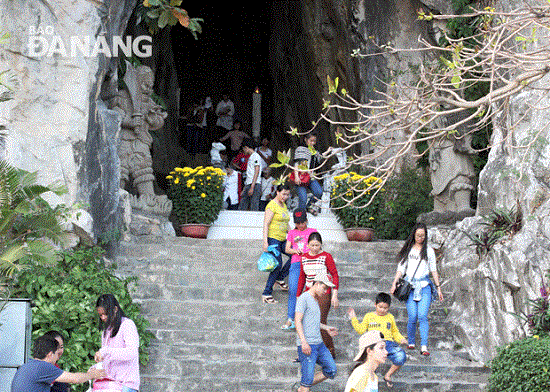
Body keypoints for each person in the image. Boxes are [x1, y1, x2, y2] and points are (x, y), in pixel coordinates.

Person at [389, 223, 444, 357]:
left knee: (422, 316)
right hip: (410, 287)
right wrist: (394, 283)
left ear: (426, 236)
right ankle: (412, 341)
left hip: (424, 286)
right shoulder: (408, 249)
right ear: (414, 234)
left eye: (422, 236)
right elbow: (401, 268)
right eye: (418, 235)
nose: (420, 238)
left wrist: (438, 288)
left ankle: (424, 345)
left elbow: (433, 270)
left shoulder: (429, 251)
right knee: (413, 316)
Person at [348, 292, 407, 388]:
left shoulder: (390, 317)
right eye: (380, 307)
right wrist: (353, 318)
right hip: (373, 343)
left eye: (385, 308)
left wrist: (401, 339)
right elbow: (360, 330)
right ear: (375, 305)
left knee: (401, 356)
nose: (383, 310)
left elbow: (395, 332)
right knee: (368, 364)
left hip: (388, 343)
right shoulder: (369, 316)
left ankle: (388, 375)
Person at [11, 334, 105, 392]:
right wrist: (92, 375)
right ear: (50, 354)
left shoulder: (27, 365)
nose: (58, 357)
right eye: (57, 353)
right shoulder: (43, 366)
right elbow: (75, 379)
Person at [297, 232, 339, 357]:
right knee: (305, 322)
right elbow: (301, 278)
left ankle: (330, 351)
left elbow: (335, 275)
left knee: (320, 321)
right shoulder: (304, 257)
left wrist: (334, 294)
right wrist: (298, 296)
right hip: (309, 293)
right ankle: (305, 351)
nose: (315, 248)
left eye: (317, 245)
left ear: (321, 245)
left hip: (323, 293)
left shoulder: (326, 256)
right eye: (312, 245)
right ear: (307, 245)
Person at [294, 272, 338, 392]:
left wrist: (326, 328)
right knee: (306, 384)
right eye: (324, 288)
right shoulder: (304, 298)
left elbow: (313, 322)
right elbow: (297, 320)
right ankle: (304, 386)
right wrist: (303, 342)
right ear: (317, 284)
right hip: (308, 345)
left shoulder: (315, 300)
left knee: (331, 369)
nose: (325, 292)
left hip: (319, 344)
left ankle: (303, 386)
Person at [95, 294, 140, 392]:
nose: (103, 318)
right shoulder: (106, 331)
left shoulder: (127, 325)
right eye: (100, 315)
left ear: (115, 309)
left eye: (106, 314)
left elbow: (132, 353)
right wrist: (95, 368)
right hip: (110, 385)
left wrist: (105, 351)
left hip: (126, 385)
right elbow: (107, 359)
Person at [282, 209, 317, 330]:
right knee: (293, 290)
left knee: (310, 292)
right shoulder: (292, 232)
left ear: (306, 220)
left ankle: (308, 319)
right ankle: (290, 318)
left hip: (310, 264)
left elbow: (318, 246)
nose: (300, 226)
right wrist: (295, 250)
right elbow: (287, 249)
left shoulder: (313, 232)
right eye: (298, 223)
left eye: (302, 223)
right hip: (296, 263)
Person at [261, 183, 292, 304]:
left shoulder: (284, 205)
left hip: (283, 239)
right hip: (273, 239)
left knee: (295, 255)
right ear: (277, 192)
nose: (285, 196)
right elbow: (266, 224)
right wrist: (265, 243)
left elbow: (286, 223)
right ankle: (266, 293)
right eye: (283, 194)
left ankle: (280, 278)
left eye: (287, 194)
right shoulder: (271, 205)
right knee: (277, 264)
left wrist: (293, 235)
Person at [293, 133, 324, 214]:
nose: (312, 143)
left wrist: (329, 151)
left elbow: (321, 157)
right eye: (311, 141)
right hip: (300, 177)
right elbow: (296, 163)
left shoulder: (314, 151)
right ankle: (301, 217)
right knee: (303, 198)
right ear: (305, 140)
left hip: (310, 177)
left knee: (319, 192)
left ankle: (309, 206)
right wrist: (296, 177)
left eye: (314, 141)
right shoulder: (300, 149)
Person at [238, 138, 263, 211]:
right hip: (249, 183)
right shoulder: (251, 157)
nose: (244, 152)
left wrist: (252, 187)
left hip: (254, 184)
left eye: (244, 149)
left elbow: (256, 171)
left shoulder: (256, 156)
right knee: (243, 205)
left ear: (246, 147)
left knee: (253, 206)